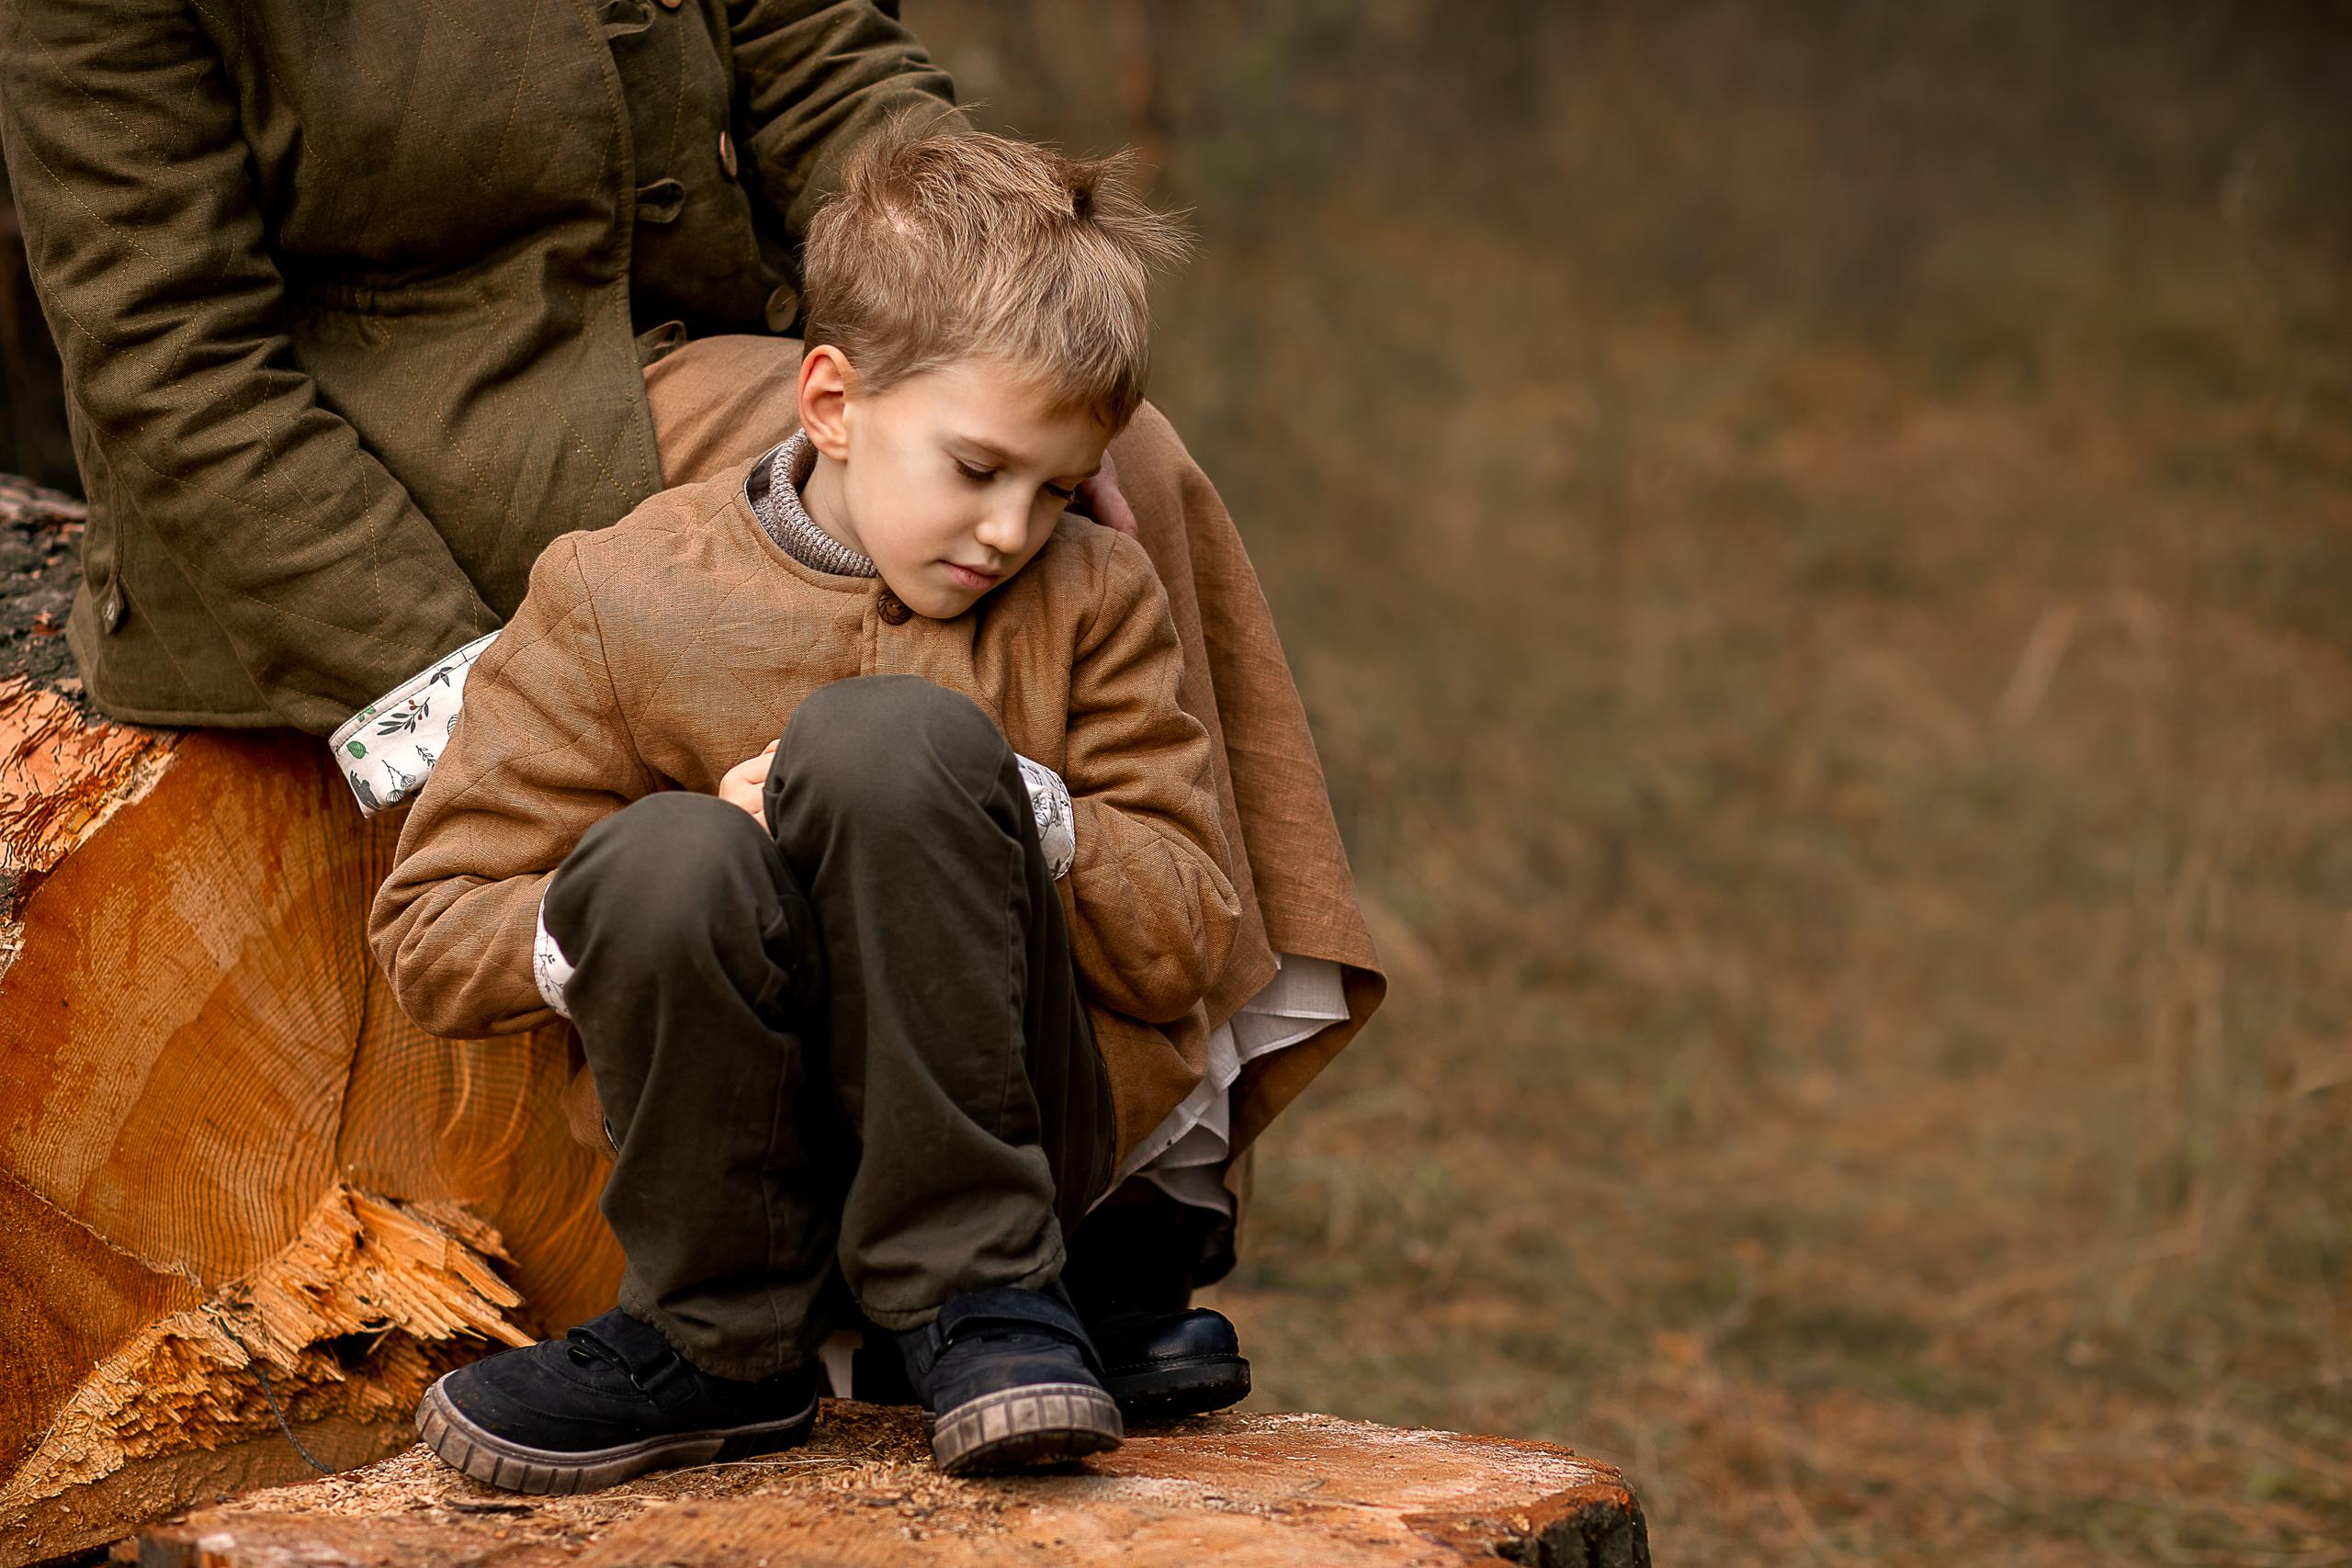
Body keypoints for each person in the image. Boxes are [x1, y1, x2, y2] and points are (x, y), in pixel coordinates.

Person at [5, 0, 1381, 1447]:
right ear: (832, 405)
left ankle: (1095, 1204)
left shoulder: (985, 489)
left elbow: (821, 51)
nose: (1010, 528)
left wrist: (994, 281)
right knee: (773, 730)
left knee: (1115, 456)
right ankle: (770, 1295)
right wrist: (465, 689)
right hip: (391, 432)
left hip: (726, 335)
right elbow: (165, 346)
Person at [374, 126, 1269, 1488]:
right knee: (671, 852)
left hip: (1027, 1139)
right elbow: (436, 933)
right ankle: (713, 1346)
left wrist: (1012, 809)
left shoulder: (1093, 598)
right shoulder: (620, 595)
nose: (1011, 533)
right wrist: (666, 873)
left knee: (893, 744)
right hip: (726, 1153)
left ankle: (990, 1302)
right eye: (976, 470)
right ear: (834, 404)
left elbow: (1187, 933)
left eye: (1053, 486)